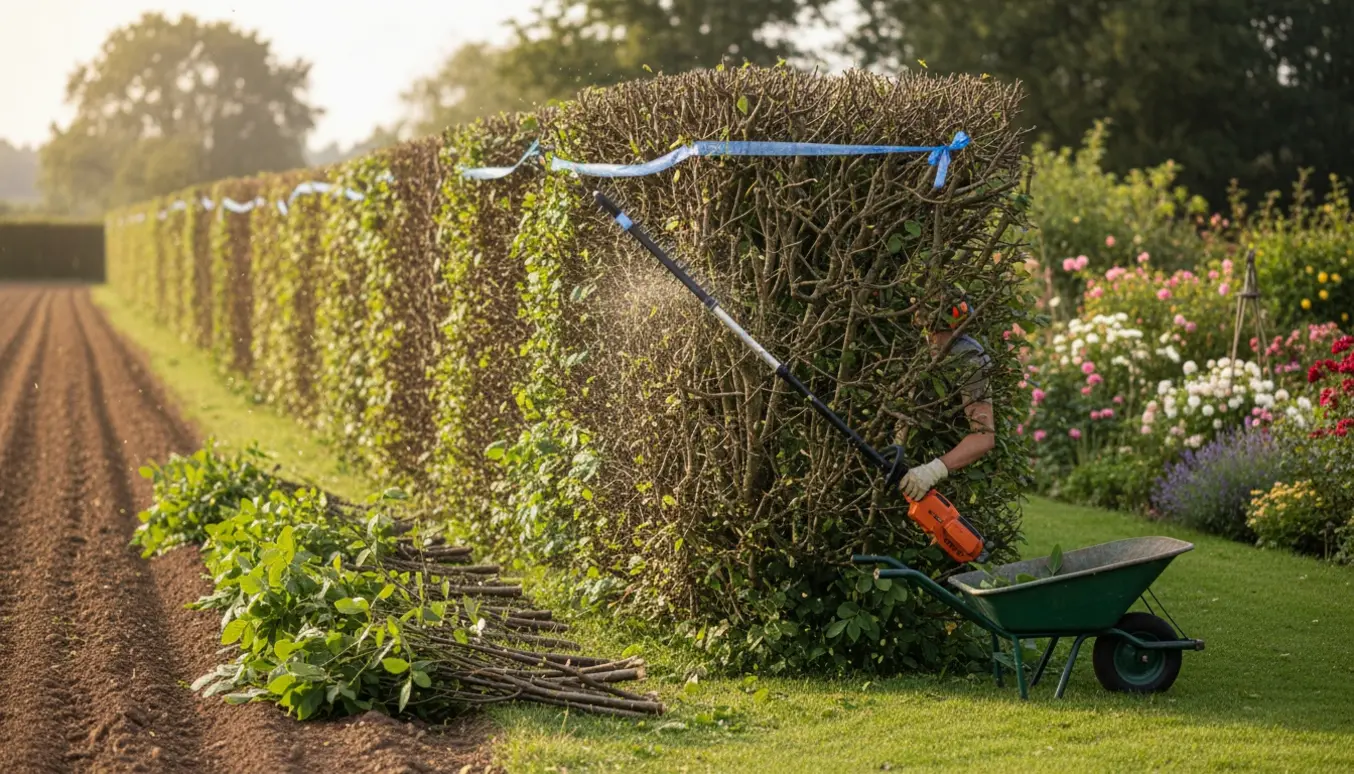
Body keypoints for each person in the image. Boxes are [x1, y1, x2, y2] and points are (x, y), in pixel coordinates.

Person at [899, 295, 996, 501]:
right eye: (928, 330)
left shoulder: (970, 359)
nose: (933, 338)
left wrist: (932, 471)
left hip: (942, 469)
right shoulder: (908, 344)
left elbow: (984, 436)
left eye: (938, 331)